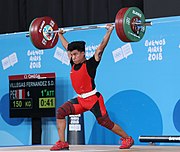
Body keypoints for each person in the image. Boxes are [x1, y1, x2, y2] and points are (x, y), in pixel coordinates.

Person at [50, 24, 134, 151]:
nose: (72, 57)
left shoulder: (90, 64)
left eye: (75, 54)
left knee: (104, 122)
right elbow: (66, 46)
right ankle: (62, 142)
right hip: (80, 100)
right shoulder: (73, 62)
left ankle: (128, 138)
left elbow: (101, 48)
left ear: (83, 53)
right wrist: (60, 34)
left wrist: (109, 31)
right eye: (71, 54)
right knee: (61, 112)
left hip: (93, 99)